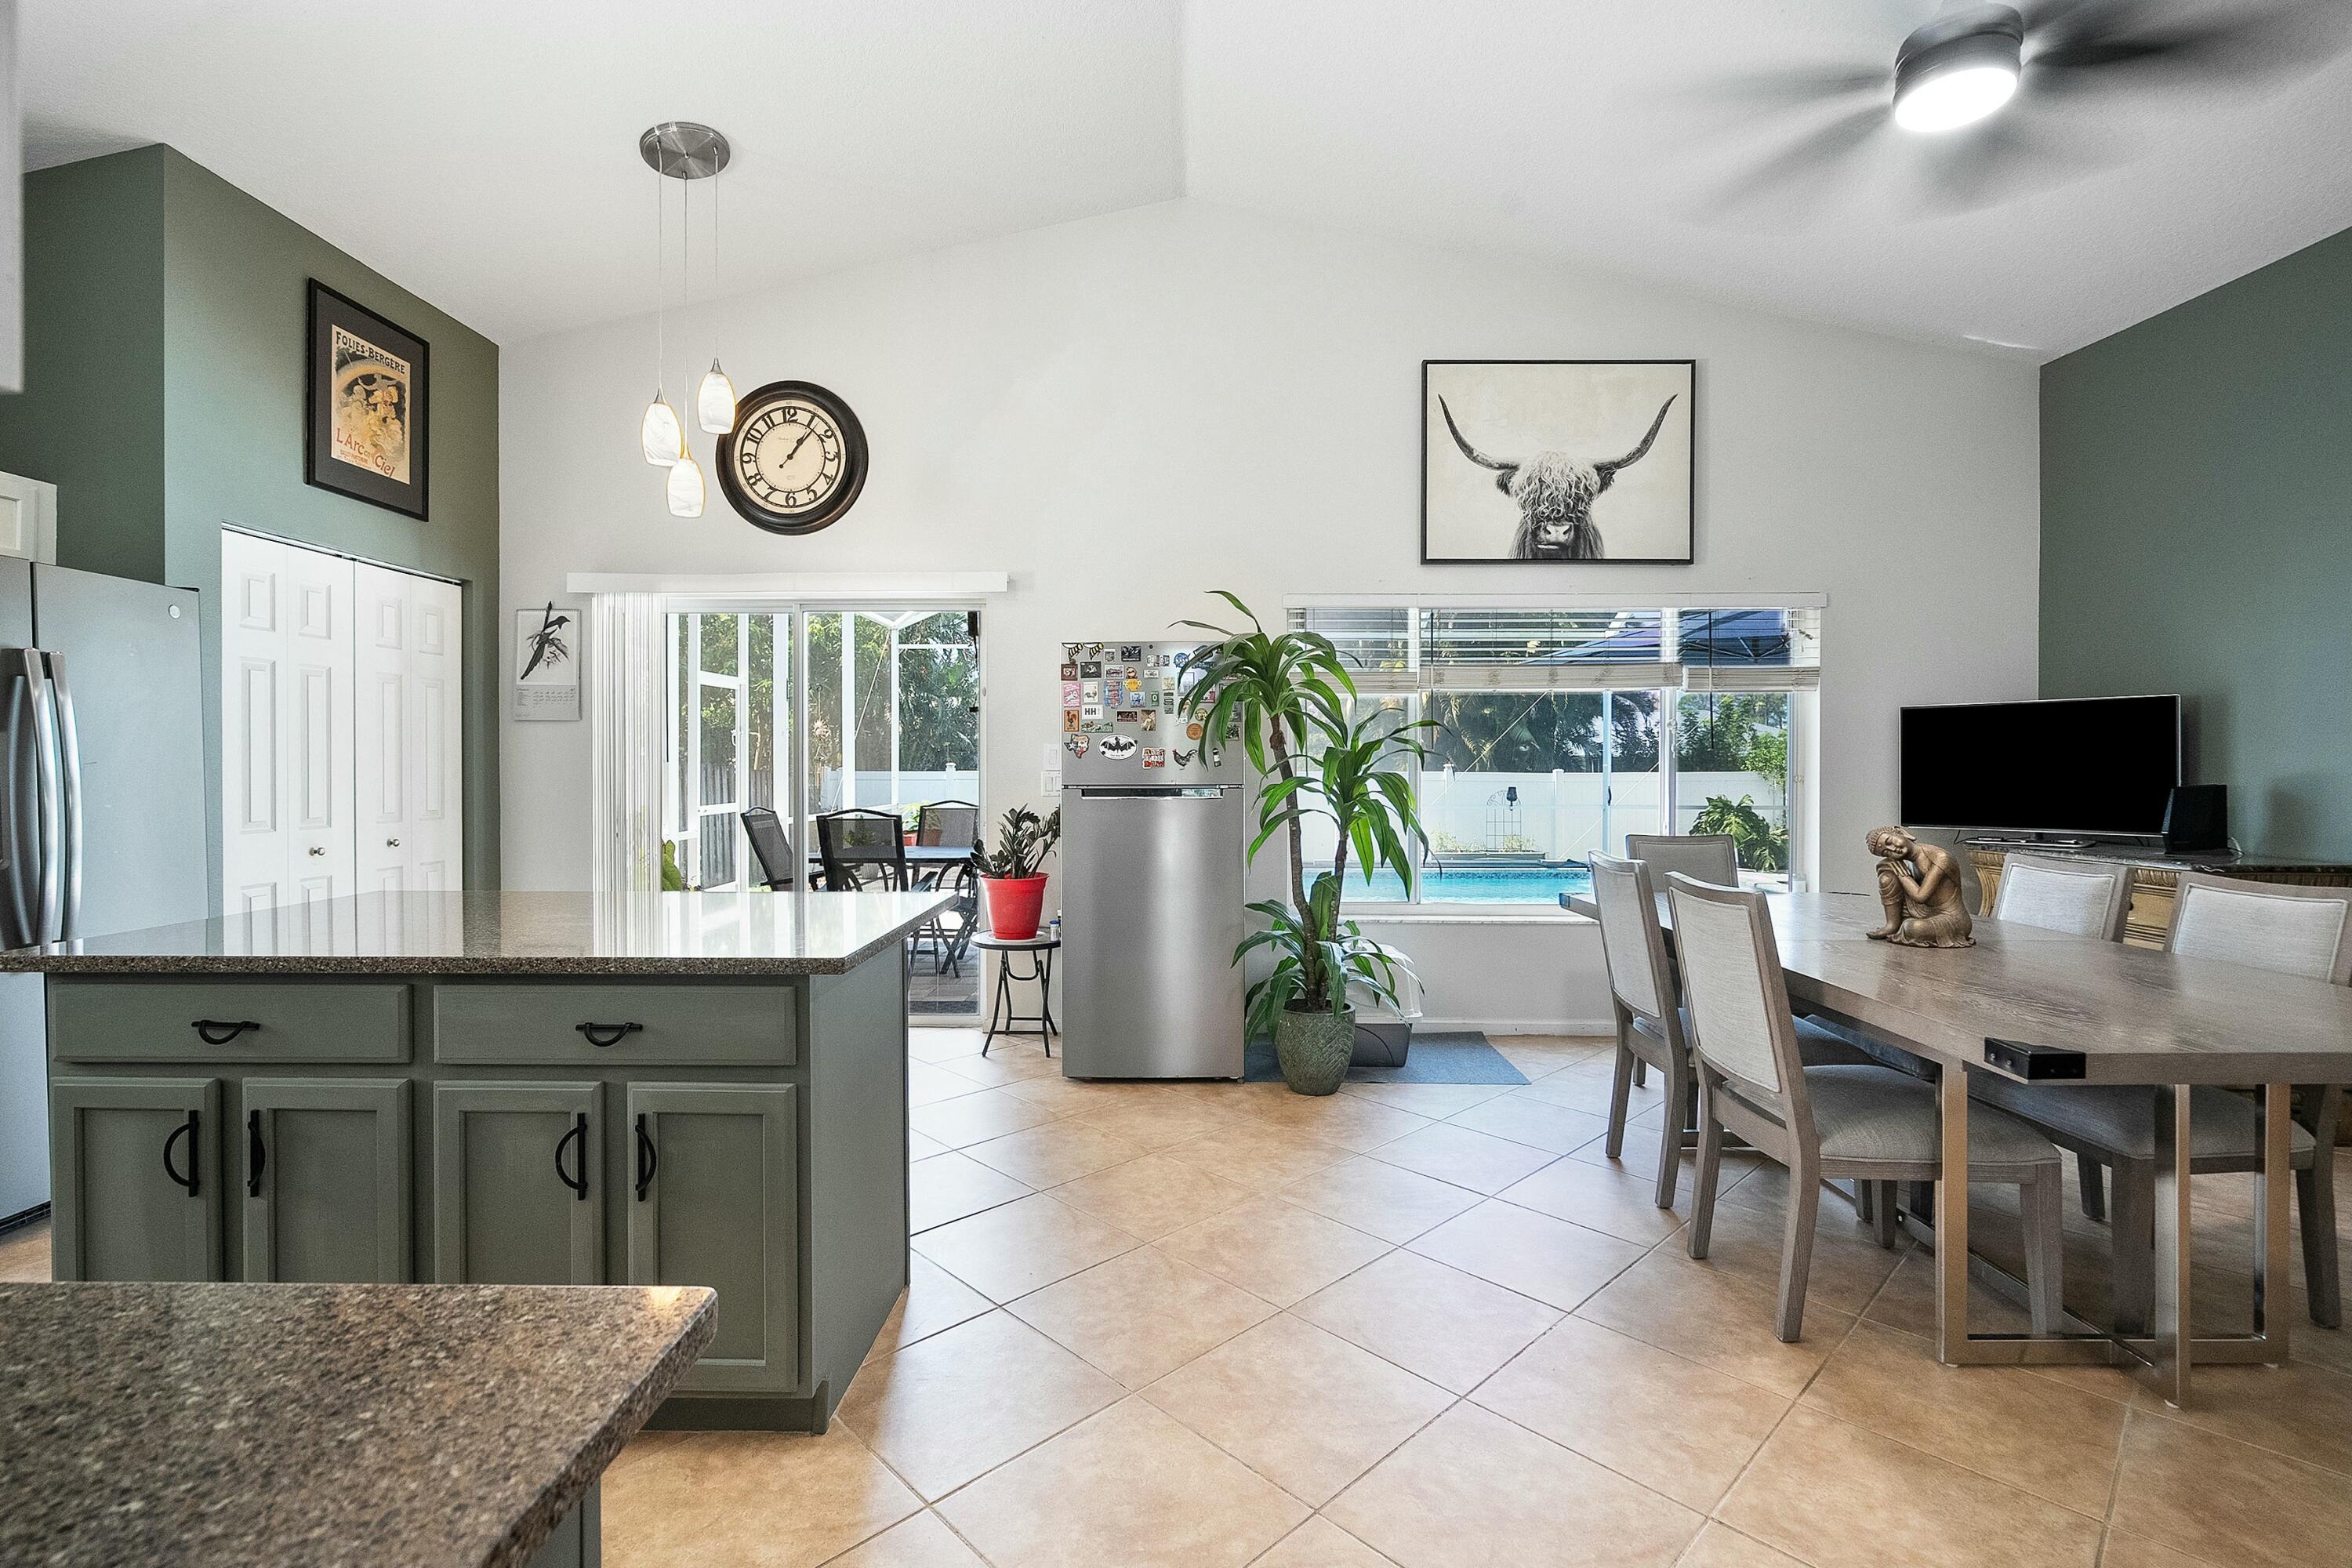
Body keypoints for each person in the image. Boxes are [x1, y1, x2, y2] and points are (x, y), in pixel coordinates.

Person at [1865, 825, 1974, 948]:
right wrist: (1893, 871)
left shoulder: (1941, 859)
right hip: (1923, 910)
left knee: (1912, 927)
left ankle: (1905, 927)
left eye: (1890, 841)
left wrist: (1901, 874)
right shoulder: (1910, 861)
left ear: (1901, 833)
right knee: (1887, 878)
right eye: (1886, 852)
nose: (1893, 849)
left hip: (1951, 919)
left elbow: (1921, 896)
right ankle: (1892, 925)